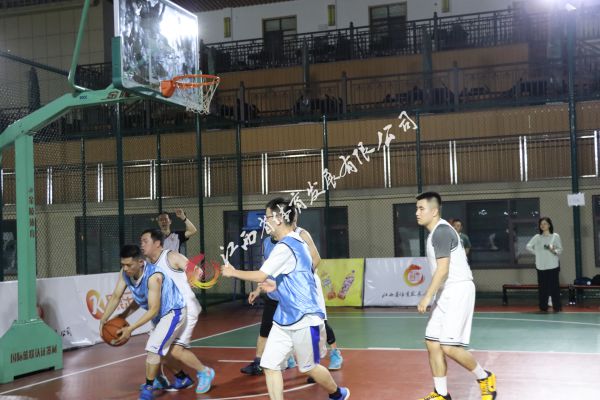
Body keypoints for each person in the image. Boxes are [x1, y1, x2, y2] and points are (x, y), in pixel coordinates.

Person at [221, 198, 350, 400]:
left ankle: (337, 393)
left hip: (305, 318)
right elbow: (295, 275)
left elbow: (261, 275)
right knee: (269, 365)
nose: (265, 222)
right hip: (284, 318)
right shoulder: (290, 243)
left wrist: (233, 272)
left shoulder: (287, 246)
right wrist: (276, 285)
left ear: (279, 219)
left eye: (267, 217)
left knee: (309, 367)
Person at [241, 211, 343, 377]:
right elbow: (266, 271)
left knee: (319, 322)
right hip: (279, 289)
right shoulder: (269, 242)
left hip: (303, 287)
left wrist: (300, 279)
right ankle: (270, 360)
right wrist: (259, 289)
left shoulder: (300, 234)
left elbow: (316, 259)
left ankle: (332, 355)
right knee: (272, 325)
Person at [415, 192, 496, 400]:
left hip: (458, 289)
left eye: (421, 208)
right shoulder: (435, 232)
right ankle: (441, 394)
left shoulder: (441, 232)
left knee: (449, 346)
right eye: (417, 208)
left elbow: (443, 270)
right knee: (432, 342)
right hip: (446, 291)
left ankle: (485, 377)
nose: (417, 213)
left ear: (434, 211)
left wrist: (427, 296)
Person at [100, 244, 187, 400]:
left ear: (140, 262)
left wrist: (130, 328)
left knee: (153, 348)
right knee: (161, 351)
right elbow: (116, 296)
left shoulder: (154, 276)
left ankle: (148, 388)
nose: (125, 268)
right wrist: (103, 319)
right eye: (123, 265)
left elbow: (153, 309)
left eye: (129, 265)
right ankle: (182, 378)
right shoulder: (125, 273)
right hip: (160, 315)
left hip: (173, 311)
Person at [138, 228, 215, 393]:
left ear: (157, 243)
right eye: (141, 242)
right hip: (167, 311)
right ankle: (174, 378)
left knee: (176, 350)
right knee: (159, 348)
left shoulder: (170, 256)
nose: (141, 245)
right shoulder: (147, 266)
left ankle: (205, 372)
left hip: (186, 307)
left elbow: (196, 269)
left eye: (145, 241)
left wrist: (194, 276)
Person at [526, 217, 563, 312]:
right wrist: (537, 253)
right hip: (540, 266)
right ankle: (543, 307)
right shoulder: (537, 237)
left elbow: (560, 250)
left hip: (553, 266)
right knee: (542, 288)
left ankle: (557, 307)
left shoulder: (555, 236)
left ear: (549, 225)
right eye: (541, 224)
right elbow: (528, 246)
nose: (542, 225)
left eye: (545, 223)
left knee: (554, 288)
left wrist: (553, 250)